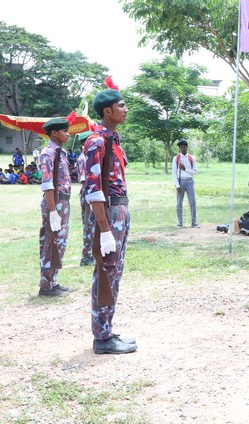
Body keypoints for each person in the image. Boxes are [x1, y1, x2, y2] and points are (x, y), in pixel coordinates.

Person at [85, 87, 136, 354]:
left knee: (114, 273)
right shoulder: (97, 141)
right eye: (121, 105)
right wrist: (104, 229)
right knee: (106, 272)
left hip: (120, 211)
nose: (126, 110)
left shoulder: (112, 140)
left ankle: (107, 330)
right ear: (108, 111)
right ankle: (102, 337)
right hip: (109, 213)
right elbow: (93, 189)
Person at [37, 118, 72, 297]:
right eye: (64, 131)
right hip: (55, 202)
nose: (68, 134)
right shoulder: (48, 153)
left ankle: (52, 281)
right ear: (54, 133)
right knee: (51, 242)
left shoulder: (61, 152)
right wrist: (52, 211)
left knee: (60, 243)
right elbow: (47, 184)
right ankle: (45, 286)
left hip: (62, 202)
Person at [77, 131, 95, 266]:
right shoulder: (83, 158)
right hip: (88, 193)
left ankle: (92, 253)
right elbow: (84, 181)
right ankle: (86, 256)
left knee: (93, 224)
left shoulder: (89, 156)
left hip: (91, 192)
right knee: (88, 224)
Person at [172, 139, 199, 228]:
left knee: (192, 202)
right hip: (180, 181)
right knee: (179, 202)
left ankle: (194, 222)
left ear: (187, 147)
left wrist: (185, 169)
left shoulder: (192, 158)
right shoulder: (176, 158)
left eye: (184, 147)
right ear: (179, 149)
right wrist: (177, 185)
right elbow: (174, 173)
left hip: (190, 181)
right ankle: (179, 222)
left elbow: (195, 172)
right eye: (181, 147)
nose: (183, 149)